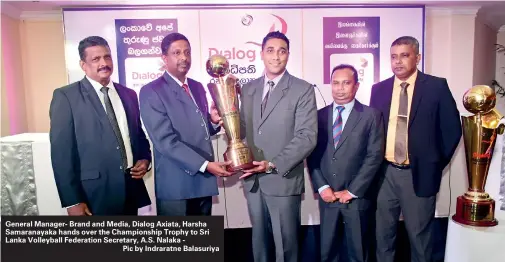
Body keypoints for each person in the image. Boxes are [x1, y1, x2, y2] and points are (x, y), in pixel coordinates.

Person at [369, 36, 462, 262]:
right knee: (383, 236)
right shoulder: (379, 89)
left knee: (420, 238)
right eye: (393, 56)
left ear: (417, 57)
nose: (398, 62)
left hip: (417, 175)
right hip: (384, 174)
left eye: (404, 55)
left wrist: (433, 163)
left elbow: (452, 130)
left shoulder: (436, 86)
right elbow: (373, 132)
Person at [238, 31, 318, 262]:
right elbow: (241, 130)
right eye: (270, 50)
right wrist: (224, 118)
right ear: (261, 54)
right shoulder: (248, 89)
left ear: (288, 55)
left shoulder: (302, 89)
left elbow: (307, 136)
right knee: (260, 246)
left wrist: (272, 164)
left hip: (283, 179)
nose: (276, 56)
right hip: (253, 182)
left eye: (282, 51)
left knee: (286, 247)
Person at [49, 36, 152, 215]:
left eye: (107, 57)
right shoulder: (66, 97)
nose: (104, 63)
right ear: (83, 65)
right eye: (96, 59)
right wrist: (72, 201)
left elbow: (138, 135)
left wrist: (145, 158)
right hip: (93, 195)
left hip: (130, 189)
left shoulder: (129, 94)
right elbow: (61, 155)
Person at [139, 32, 231, 216]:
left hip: (203, 181)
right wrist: (205, 165)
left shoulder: (197, 86)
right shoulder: (151, 91)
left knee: (202, 242)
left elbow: (199, 128)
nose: (184, 58)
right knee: (179, 244)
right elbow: (165, 142)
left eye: (187, 52)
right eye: (177, 53)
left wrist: (212, 122)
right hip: (177, 186)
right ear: (164, 58)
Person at [307, 64, 384, 262]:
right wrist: (322, 187)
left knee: (358, 253)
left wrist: (353, 190)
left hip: (357, 197)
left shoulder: (371, 116)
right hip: (328, 196)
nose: (340, 88)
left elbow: (374, 156)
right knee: (327, 252)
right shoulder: (318, 116)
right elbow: (312, 156)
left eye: (346, 83)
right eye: (335, 83)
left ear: (356, 86)